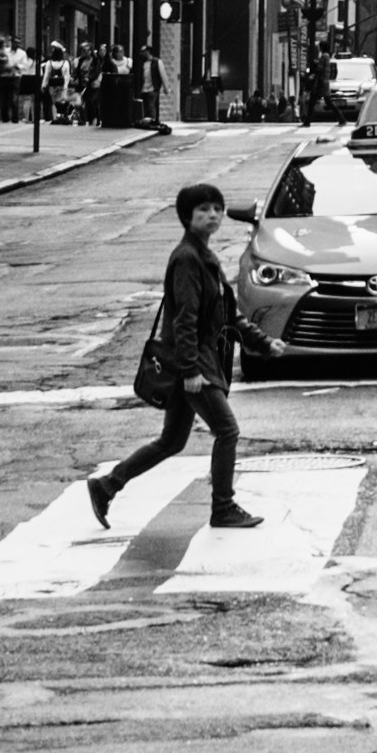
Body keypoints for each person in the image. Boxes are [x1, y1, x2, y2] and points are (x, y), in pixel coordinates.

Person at [88, 185, 258, 533]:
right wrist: (191, 370)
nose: (213, 215)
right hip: (194, 365)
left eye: (217, 209)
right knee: (227, 431)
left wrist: (266, 343)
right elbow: (184, 318)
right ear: (186, 216)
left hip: (196, 362)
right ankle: (223, 508)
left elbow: (228, 314)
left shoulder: (204, 257)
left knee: (171, 441)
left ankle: (107, 485)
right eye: (203, 209)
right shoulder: (187, 259)